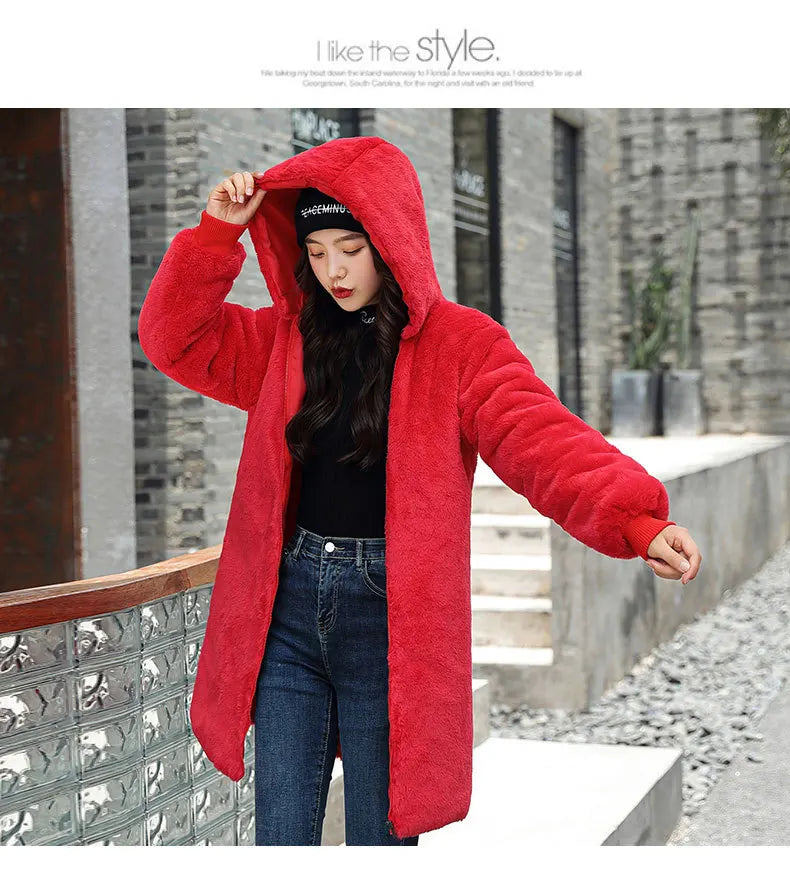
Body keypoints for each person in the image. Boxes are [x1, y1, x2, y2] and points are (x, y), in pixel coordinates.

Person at [138, 135, 702, 847]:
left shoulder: (460, 345)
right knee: (280, 837)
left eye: (351, 248)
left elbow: (539, 436)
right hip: (288, 603)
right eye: (317, 251)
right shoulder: (284, 338)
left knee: (381, 840)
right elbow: (175, 339)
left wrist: (636, 519)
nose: (334, 270)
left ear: (389, 240)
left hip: (388, 613)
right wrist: (217, 235)